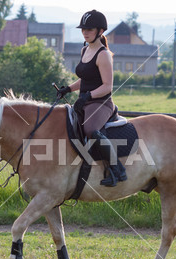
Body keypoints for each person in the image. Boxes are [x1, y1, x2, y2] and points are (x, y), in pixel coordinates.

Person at [57, 10, 127, 187]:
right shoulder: (85, 50)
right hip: (85, 101)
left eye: (89, 29)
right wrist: (68, 89)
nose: (85, 32)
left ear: (100, 31)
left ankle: (117, 169)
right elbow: (86, 78)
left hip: (101, 103)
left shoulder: (103, 55)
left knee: (90, 129)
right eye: (83, 29)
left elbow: (107, 86)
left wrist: (88, 96)